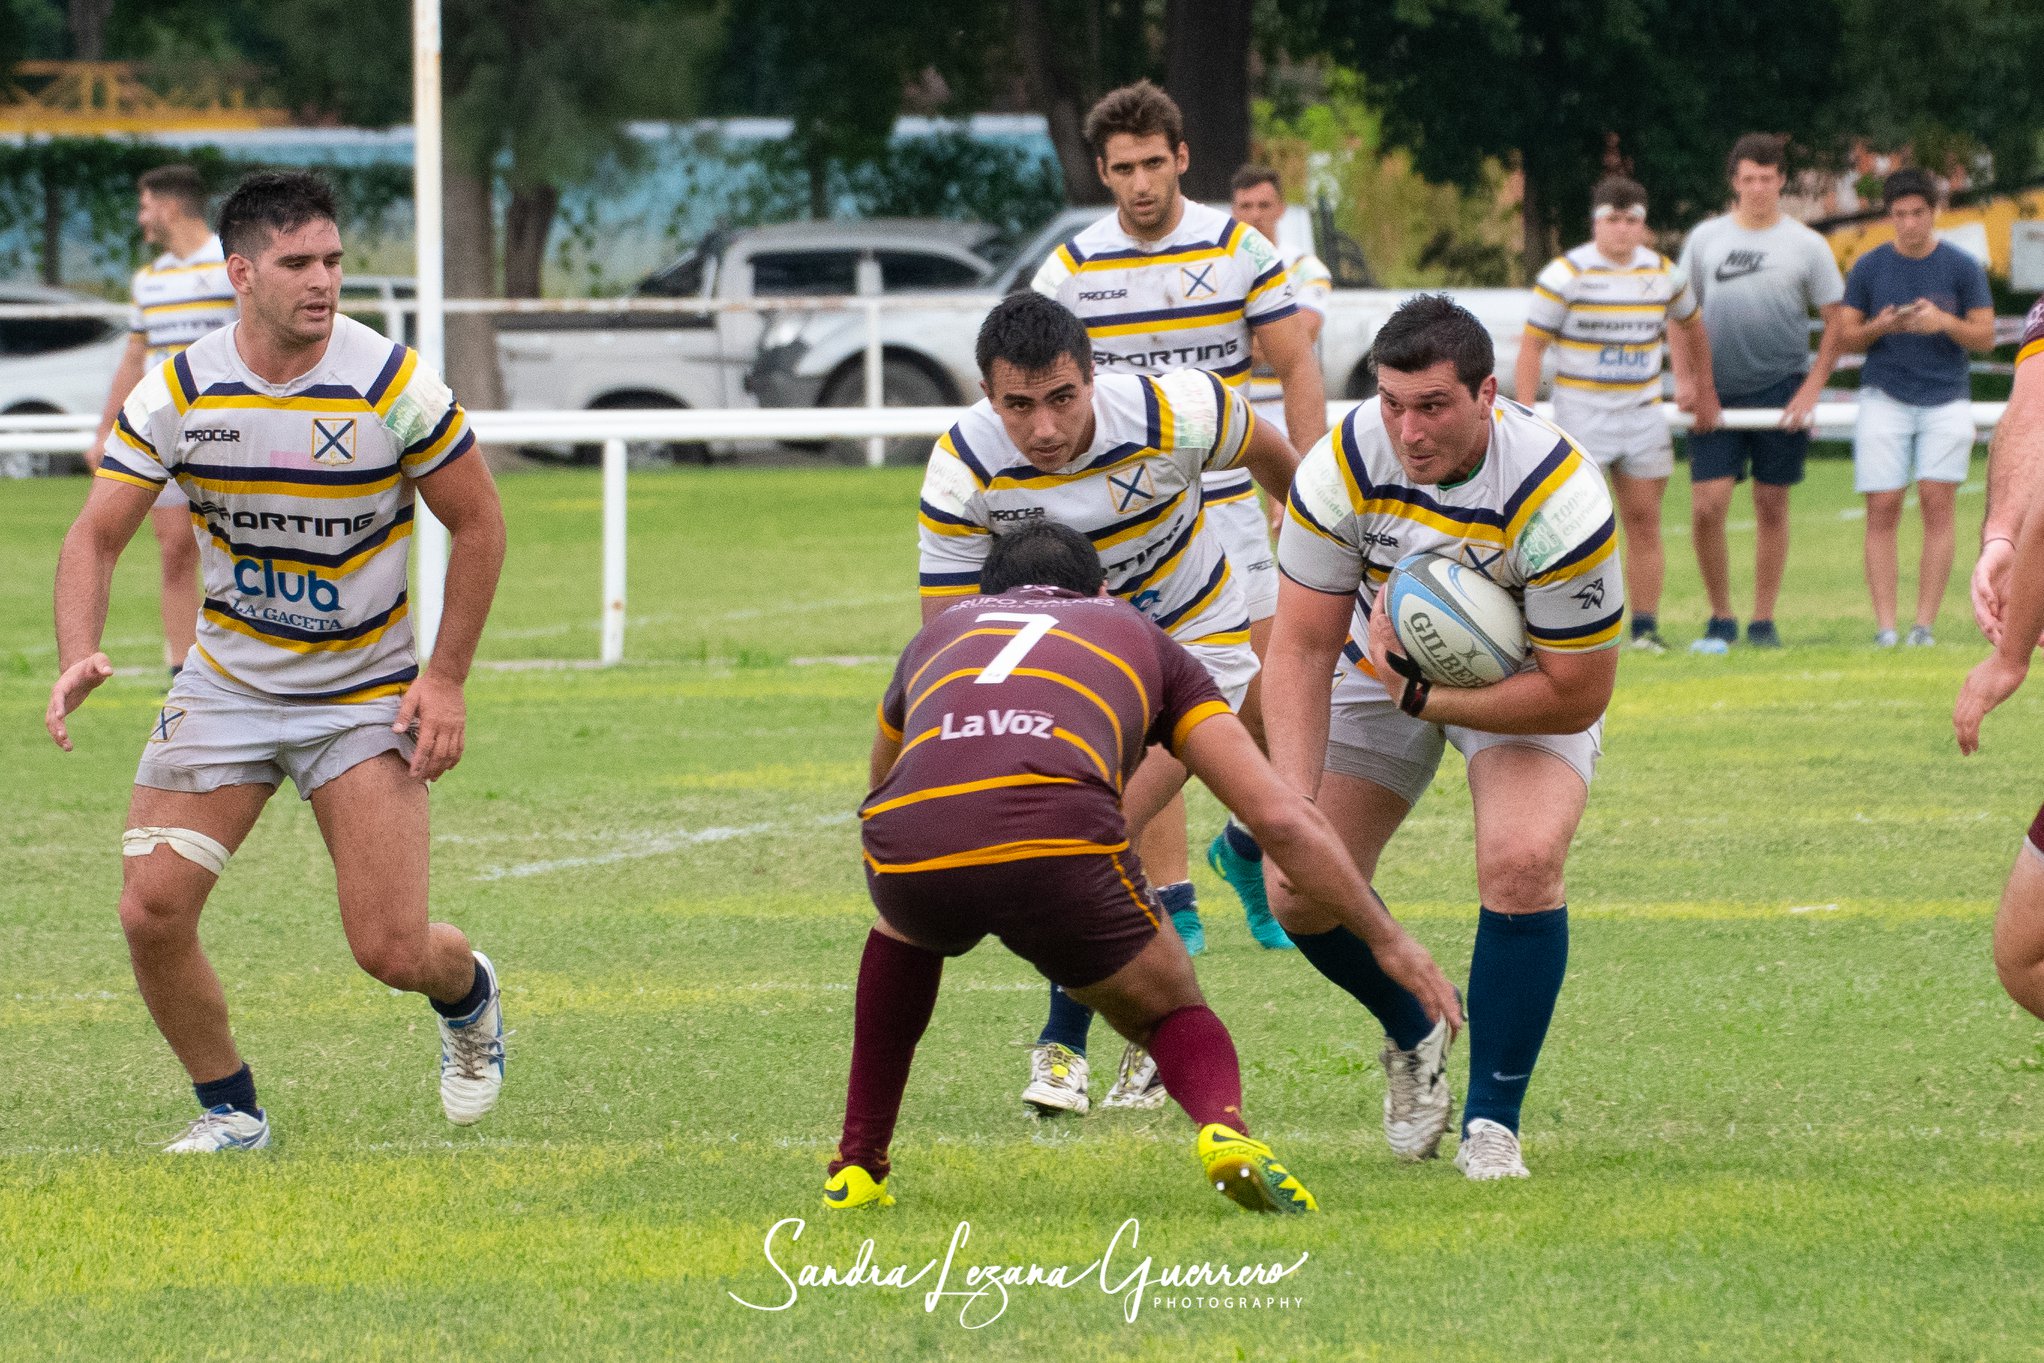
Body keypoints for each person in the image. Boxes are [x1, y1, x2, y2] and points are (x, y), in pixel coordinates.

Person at [44, 171, 509, 1153]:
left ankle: (467, 993)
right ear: (241, 272)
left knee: (389, 949)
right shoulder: (178, 389)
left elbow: (478, 521)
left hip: (363, 693)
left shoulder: (391, 380)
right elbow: (94, 536)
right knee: (150, 908)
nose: (324, 281)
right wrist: (79, 650)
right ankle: (233, 1111)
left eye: (333, 261)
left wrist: (446, 677)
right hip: (227, 684)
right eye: (298, 263)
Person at [829, 522, 1462, 1214]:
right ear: (1103, 590)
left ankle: (857, 1164)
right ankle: (1226, 1131)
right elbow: (1278, 816)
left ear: (991, 596)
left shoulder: (941, 633)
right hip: (1059, 846)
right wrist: (1387, 937)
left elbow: (881, 783)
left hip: (911, 835)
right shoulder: (1142, 637)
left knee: (904, 932)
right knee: (1172, 1009)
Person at [1262, 295, 1621, 1180]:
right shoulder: (1341, 461)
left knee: (1523, 861)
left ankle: (1492, 1123)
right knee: (1297, 888)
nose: (1408, 429)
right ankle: (1411, 1022)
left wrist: (1428, 699)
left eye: (1432, 406)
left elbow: (1576, 694)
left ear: (1486, 394)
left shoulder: (1560, 494)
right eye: (1391, 402)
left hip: (1524, 682)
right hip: (1374, 669)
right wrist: (1292, 808)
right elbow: (1302, 645)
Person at [918, 291, 1299, 1115]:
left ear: (1094, 376)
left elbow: (1279, 459)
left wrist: (1328, 566)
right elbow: (949, 637)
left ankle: (1066, 1046)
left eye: (1062, 397)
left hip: (1196, 648)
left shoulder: (1178, 411)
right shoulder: (963, 470)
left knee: (1094, 826)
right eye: (1018, 405)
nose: (1044, 428)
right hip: (1072, 672)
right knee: (1060, 836)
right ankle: (1135, 1041)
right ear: (988, 397)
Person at [1034, 80, 1326, 965]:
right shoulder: (1073, 269)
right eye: (1123, 169)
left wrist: (1309, 496)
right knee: (1143, 710)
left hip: (1235, 502)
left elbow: (1295, 365)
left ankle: (1244, 848)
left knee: (1271, 702)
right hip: (1128, 524)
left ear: (1182, 157)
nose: (1141, 184)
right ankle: (1171, 901)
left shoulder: (1240, 247)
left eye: (1154, 164)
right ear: (1103, 172)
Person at [1516, 175, 1719, 653]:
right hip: (1581, 414)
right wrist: (1524, 410)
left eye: (1633, 221)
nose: (1623, 230)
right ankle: (1558, 629)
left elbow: (1693, 327)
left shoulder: (1664, 274)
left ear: (1643, 225)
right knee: (1568, 526)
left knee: (1644, 519)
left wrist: (1698, 385)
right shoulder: (1566, 274)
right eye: (1613, 220)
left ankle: (1645, 627)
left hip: (1641, 412)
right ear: (1596, 222)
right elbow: (1531, 347)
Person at [1677, 133, 1848, 651]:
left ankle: (1762, 620)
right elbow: (1679, 316)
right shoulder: (1705, 240)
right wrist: (1689, 382)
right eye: (1748, 179)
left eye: (1767, 179)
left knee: (1772, 503)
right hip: (1715, 391)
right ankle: (1720, 616)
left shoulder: (1807, 245)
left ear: (1781, 182)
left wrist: (1811, 390)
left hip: (1780, 387)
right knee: (1709, 504)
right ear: (1734, 182)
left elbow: (1836, 323)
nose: (1757, 188)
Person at [84, 165, 238, 679]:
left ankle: (250, 661)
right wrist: (106, 428)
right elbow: (135, 358)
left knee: (240, 546)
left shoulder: (229, 266)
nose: (141, 217)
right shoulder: (148, 281)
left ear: (169, 207)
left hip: (230, 430)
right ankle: (183, 671)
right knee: (174, 550)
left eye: (145, 205)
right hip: (166, 432)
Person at [1838, 168, 1994, 647]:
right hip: (1884, 393)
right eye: (1900, 214)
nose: (1909, 223)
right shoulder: (1868, 267)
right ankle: (1886, 626)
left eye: (1917, 213)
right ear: (1889, 216)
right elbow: (1846, 335)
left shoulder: (1963, 267)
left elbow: (1986, 336)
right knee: (1882, 506)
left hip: (1946, 395)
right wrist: (1880, 327)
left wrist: (1943, 322)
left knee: (1936, 503)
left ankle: (1922, 626)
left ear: (1934, 213)